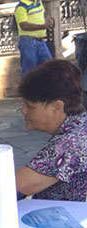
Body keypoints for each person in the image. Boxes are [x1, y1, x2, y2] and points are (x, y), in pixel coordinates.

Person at [16, 59, 87, 201]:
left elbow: (20, 184)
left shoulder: (72, 142)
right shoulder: (80, 123)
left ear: (57, 107)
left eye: (30, 106)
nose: (23, 110)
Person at [15, 0, 54, 76]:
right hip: (28, 41)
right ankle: (26, 90)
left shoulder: (38, 1)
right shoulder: (21, 7)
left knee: (49, 65)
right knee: (29, 70)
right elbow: (24, 25)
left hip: (40, 41)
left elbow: (43, 13)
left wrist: (48, 19)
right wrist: (43, 26)